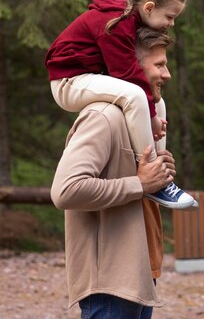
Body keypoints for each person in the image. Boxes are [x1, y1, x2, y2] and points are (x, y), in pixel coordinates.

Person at [51, 27, 178, 319]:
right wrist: (140, 183)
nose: (167, 74)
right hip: (109, 286)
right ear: (132, 66)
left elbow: (140, 185)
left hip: (139, 274)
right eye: (159, 64)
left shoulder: (139, 119)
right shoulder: (102, 117)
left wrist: (160, 172)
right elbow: (66, 190)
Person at [45, 0, 195, 209]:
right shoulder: (118, 22)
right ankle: (150, 168)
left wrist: (154, 111)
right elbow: (127, 74)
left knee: (158, 101)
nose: (171, 24)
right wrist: (152, 118)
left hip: (88, 76)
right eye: (169, 16)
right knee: (136, 95)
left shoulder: (129, 16)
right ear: (148, 7)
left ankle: (160, 173)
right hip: (68, 82)